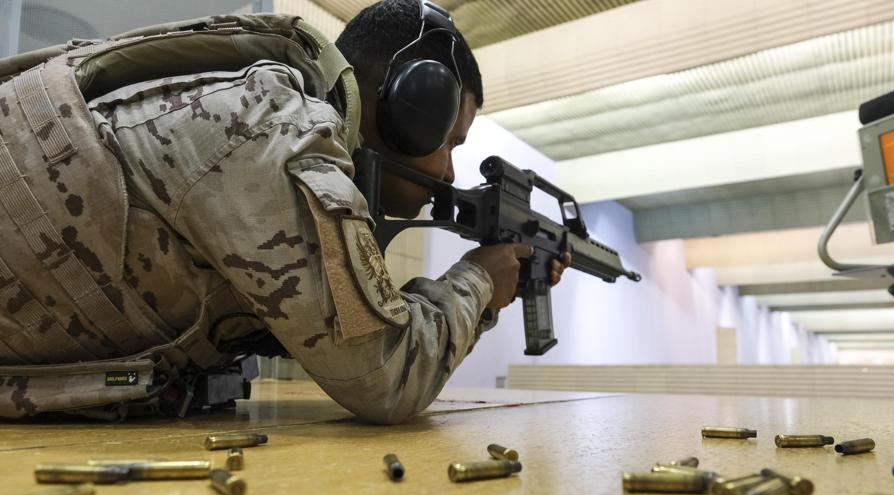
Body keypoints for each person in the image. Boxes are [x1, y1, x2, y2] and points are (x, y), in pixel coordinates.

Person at [0, 0, 568, 423]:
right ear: (410, 107)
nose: (447, 173)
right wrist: (480, 281)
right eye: (450, 140)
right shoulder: (276, 130)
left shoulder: (268, 105)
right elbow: (386, 375)